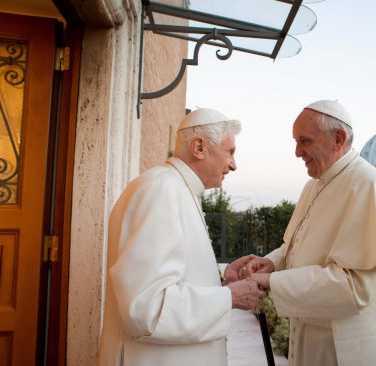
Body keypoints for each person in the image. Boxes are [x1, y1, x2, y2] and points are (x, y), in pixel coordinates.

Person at [228, 100, 376, 366]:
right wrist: (274, 263)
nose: (297, 151)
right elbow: (297, 244)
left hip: (355, 340)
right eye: (296, 141)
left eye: (305, 141)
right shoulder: (315, 184)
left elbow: (356, 286)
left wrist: (272, 282)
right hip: (316, 332)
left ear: (338, 138)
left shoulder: (370, 186)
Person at [98, 108, 267, 366]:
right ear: (199, 147)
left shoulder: (178, 189)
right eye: (230, 152)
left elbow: (172, 282)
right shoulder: (162, 189)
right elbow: (147, 309)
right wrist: (230, 297)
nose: (234, 164)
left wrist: (220, 283)